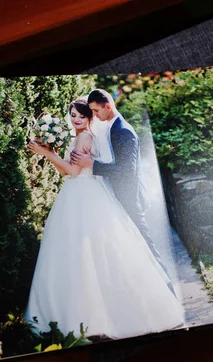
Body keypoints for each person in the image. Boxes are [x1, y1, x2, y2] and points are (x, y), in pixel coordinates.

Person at [24, 97, 184, 341]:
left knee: (92, 254)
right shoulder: (76, 138)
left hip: (86, 196)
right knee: (77, 256)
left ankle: (104, 316)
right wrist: (54, 153)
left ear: (89, 118)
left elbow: (74, 171)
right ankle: (83, 316)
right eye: (72, 114)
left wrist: (46, 153)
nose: (76, 119)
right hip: (75, 194)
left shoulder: (86, 137)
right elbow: (65, 170)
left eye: (81, 115)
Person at [70, 89, 176, 295]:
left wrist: (92, 164)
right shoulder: (112, 128)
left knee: (147, 249)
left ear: (107, 106)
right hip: (120, 199)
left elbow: (127, 172)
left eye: (96, 110)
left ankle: (168, 294)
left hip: (129, 200)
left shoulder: (122, 131)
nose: (95, 115)